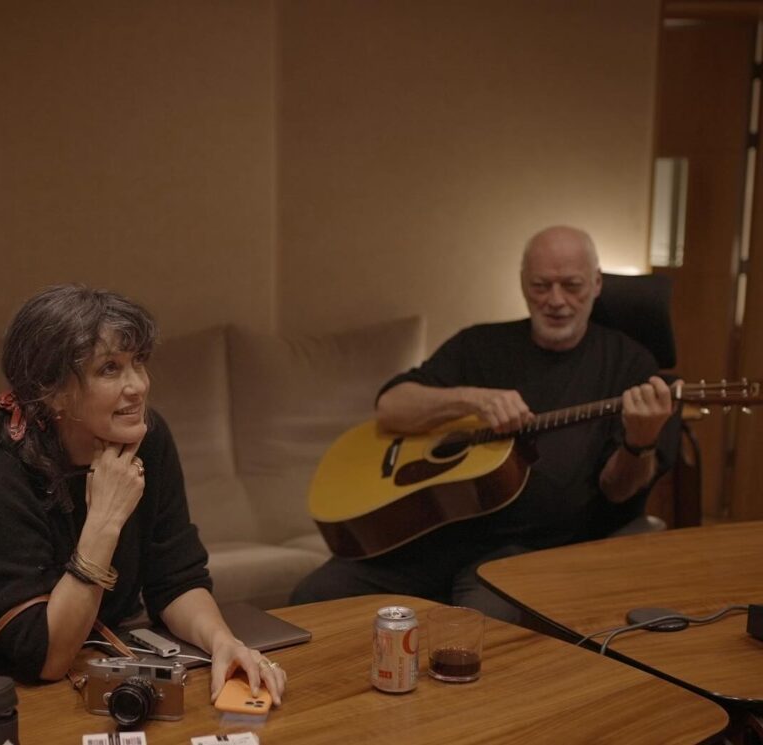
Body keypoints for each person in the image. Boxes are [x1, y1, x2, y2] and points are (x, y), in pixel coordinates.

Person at [0, 284, 286, 704]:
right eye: (110, 369)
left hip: (85, 668)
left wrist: (222, 642)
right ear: (51, 391)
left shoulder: (149, 439)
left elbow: (175, 579)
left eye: (138, 362)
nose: (138, 385)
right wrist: (104, 520)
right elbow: (41, 657)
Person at [291, 226, 679, 621]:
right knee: (314, 597)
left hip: (527, 554)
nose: (556, 300)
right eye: (541, 285)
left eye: (572, 285)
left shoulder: (630, 365)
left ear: (597, 283)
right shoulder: (479, 344)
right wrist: (472, 398)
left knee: (476, 630)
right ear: (523, 284)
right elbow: (392, 407)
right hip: (428, 536)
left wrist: (639, 442)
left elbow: (619, 491)